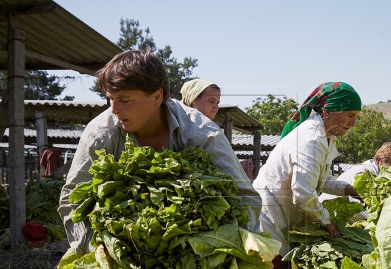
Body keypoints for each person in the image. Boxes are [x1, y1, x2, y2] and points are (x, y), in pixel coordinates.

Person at [59, 50, 261, 255]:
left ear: (157, 97)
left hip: (195, 256)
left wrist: (232, 256)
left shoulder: (202, 133)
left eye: (125, 100)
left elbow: (244, 198)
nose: (114, 109)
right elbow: (72, 200)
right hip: (121, 255)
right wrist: (101, 253)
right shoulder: (100, 135)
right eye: (110, 98)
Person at [253, 82, 362, 269]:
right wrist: (326, 221)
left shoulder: (326, 136)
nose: (353, 123)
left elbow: (321, 180)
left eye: (356, 117)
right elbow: (302, 193)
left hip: (284, 215)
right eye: (350, 115)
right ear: (328, 111)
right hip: (271, 216)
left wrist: (348, 189)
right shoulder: (311, 140)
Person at [319, 142, 391, 203]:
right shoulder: (365, 173)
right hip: (323, 216)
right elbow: (365, 206)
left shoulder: (376, 172)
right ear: (381, 162)